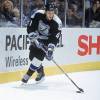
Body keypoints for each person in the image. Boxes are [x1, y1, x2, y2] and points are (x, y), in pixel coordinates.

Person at [21, 2, 62, 84]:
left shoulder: (57, 22)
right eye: (49, 12)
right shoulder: (38, 14)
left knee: (38, 58)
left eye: (52, 13)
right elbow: (30, 26)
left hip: (47, 42)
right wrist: (32, 34)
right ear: (45, 11)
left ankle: (27, 75)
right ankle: (41, 72)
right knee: (32, 57)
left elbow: (54, 38)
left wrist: (50, 50)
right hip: (36, 38)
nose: (51, 15)